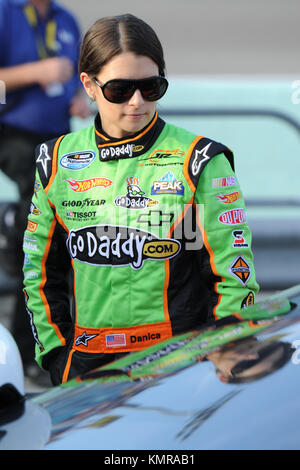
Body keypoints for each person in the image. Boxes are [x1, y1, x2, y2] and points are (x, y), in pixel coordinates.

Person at [23, 13, 260, 385]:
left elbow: (234, 273)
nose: (137, 102)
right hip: (87, 367)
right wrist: (55, 354)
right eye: (120, 89)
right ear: (88, 84)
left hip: (182, 361)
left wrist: (226, 348)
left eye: (151, 87)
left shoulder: (200, 160)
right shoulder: (56, 163)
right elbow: (38, 272)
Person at [0, 0, 90, 384]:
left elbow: (81, 78)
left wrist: (81, 96)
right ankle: (28, 352)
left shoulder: (66, 19)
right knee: (37, 234)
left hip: (59, 139)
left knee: (64, 232)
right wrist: (35, 72)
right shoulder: (6, 12)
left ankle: (50, 345)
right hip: (14, 135)